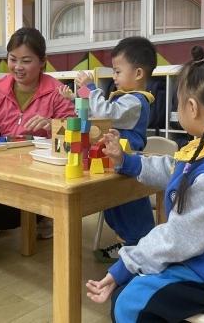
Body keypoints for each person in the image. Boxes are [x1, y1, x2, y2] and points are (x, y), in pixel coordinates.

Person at [86, 45, 204, 322]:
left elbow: (175, 238)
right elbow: (177, 168)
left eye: (178, 102)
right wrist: (128, 162)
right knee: (137, 283)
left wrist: (124, 266)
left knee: (128, 302)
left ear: (193, 108)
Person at [59, 36, 158, 263]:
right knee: (113, 205)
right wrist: (76, 98)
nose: (114, 77)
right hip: (113, 159)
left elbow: (105, 112)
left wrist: (91, 87)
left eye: (117, 71)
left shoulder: (136, 101)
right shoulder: (124, 98)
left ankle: (140, 248)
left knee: (130, 207)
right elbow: (95, 112)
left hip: (127, 160)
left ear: (138, 73)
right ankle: (126, 245)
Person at [0, 27, 75, 240]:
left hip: (40, 174)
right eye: (13, 59)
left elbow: (72, 133)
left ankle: (44, 217)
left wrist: (52, 125)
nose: (18, 67)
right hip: (4, 170)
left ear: (42, 62)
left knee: (31, 205)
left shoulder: (57, 91)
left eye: (26, 61)